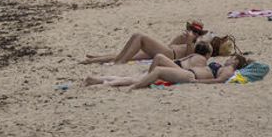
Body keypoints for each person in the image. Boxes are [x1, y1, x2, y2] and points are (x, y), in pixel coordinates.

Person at [85, 54, 248, 90]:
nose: (229, 58)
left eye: (232, 57)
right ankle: (99, 80)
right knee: (142, 75)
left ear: (236, 61)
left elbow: (219, 81)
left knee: (157, 71)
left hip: (192, 76)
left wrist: (198, 82)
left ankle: (133, 87)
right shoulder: (226, 67)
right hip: (189, 73)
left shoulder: (229, 69)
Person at [80, 22, 209, 64]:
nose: (192, 32)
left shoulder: (197, 44)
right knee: (130, 52)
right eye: (191, 29)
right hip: (167, 51)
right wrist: (181, 38)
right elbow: (170, 44)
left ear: (199, 34)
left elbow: (187, 57)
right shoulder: (185, 37)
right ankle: (95, 59)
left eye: (195, 31)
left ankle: (119, 63)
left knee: (139, 36)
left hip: (170, 55)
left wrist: (189, 42)